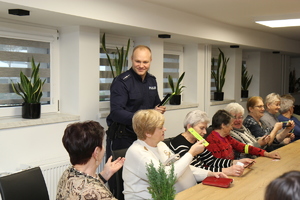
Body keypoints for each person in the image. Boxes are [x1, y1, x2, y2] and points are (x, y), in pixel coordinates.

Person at [123, 109, 227, 200]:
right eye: (160, 128)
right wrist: (191, 153)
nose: (165, 129)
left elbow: (181, 167)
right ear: (148, 133)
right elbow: (166, 178)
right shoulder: (137, 152)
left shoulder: (160, 145)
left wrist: (209, 174)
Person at [106, 45, 166, 194]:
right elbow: (116, 112)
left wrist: (158, 110)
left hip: (146, 137)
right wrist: (145, 117)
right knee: (121, 183)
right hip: (124, 137)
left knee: (146, 178)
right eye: (137, 61)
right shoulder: (122, 82)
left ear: (151, 61)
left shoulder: (152, 80)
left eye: (145, 62)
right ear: (131, 60)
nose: (141, 65)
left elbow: (154, 103)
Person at [169, 109, 255, 177]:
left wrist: (235, 162)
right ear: (189, 127)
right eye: (201, 128)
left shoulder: (198, 140)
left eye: (205, 128)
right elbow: (197, 170)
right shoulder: (179, 143)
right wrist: (226, 170)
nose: (205, 132)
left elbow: (212, 161)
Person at [56, 121, 125, 200]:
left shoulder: (68, 173)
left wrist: (104, 175)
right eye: (102, 144)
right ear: (97, 152)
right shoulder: (98, 193)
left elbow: (84, 186)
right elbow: (91, 191)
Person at [206, 109, 281, 160]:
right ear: (223, 125)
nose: (231, 128)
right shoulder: (212, 142)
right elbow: (219, 164)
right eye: (230, 125)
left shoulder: (226, 137)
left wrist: (266, 154)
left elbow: (244, 148)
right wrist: (236, 163)